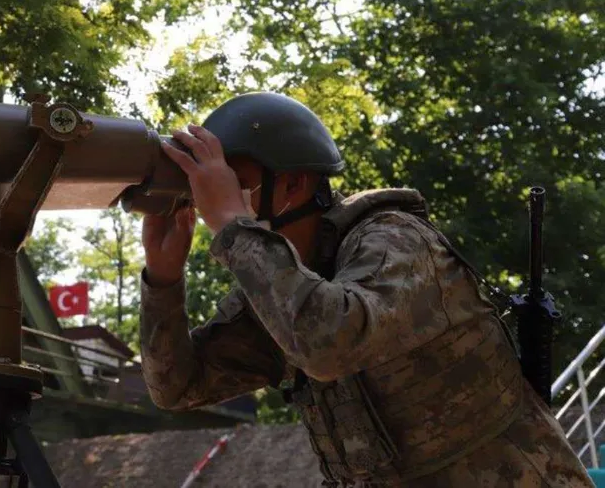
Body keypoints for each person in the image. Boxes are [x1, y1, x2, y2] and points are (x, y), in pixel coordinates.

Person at [139, 92, 593, 487]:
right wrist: (163, 278)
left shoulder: (394, 239)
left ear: (293, 185)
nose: (213, 202)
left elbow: (328, 344)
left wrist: (233, 227)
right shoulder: (286, 288)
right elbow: (177, 387)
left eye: (233, 185)